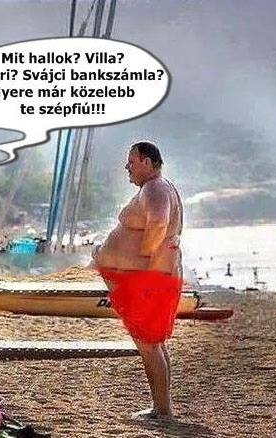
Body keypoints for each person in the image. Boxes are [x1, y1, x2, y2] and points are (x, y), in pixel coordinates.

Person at [91, 141, 183, 421]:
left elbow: (159, 224)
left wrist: (139, 261)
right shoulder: (156, 188)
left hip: (147, 279)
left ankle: (162, 410)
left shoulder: (155, 188)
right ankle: (161, 406)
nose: (127, 167)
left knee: (148, 344)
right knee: (153, 342)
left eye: (131, 161)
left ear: (147, 162)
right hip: (150, 278)